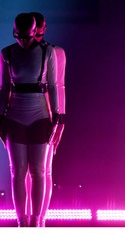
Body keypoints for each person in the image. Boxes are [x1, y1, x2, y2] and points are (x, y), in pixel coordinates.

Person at [0, 13, 62, 227]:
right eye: (19, 37)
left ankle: (37, 222)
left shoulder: (47, 52)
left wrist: (57, 117)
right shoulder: (7, 53)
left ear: (35, 32)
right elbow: (5, 87)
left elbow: (53, 86)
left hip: (40, 116)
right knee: (17, 171)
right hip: (14, 116)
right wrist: (0, 118)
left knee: (38, 171)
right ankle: (21, 222)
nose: (23, 42)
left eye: (27, 37)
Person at [27, 12, 66, 227]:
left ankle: (39, 219)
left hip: (48, 115)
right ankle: (28, 219)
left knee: (43, 170)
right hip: (26, 113)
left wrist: (60, 120)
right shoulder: (16, 53)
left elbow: (59, 86)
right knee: (25, 172)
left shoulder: (54, 52)